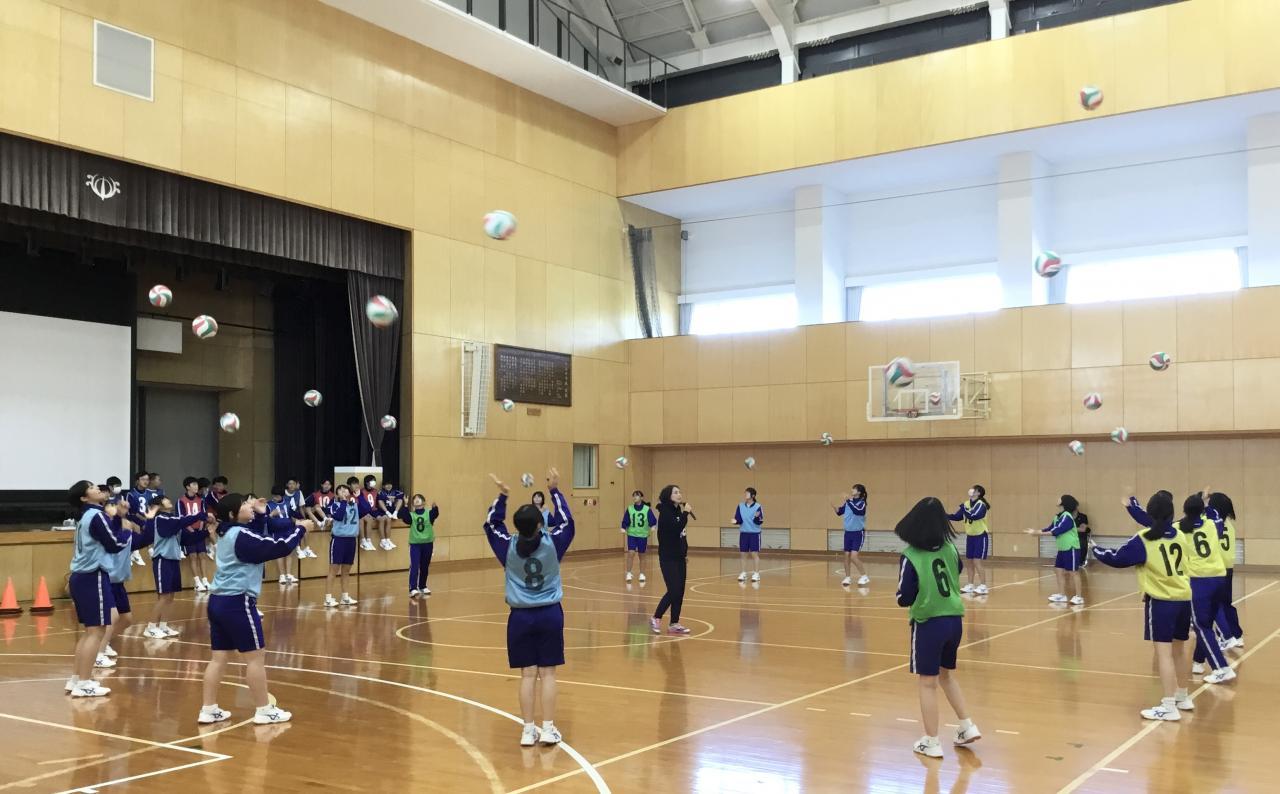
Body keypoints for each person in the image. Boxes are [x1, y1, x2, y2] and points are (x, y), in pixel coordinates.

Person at [483, 469, 575, 747]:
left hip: (520, 617)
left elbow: (491, 524)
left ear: (517, 526)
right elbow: (567, 521)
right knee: (548, 674)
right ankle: (547, 729)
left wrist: (503, 495)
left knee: (527, 674)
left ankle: (527, 730)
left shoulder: (506, 546)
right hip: (550, 614)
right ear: (540, 525)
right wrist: (554, 490)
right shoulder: (553, 543)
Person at [199, 493, 305, 725]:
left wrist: (261, 514)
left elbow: (254, 534)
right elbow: (278, 546)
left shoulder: (227, 532)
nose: (250, 505)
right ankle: (264, 710)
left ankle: (208, 709)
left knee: (218, 659)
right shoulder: (241, 535)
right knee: (256, 658)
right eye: (245, 504)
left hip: (217, 601)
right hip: (238, 602)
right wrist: (300, 529)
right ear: (233, 514)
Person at [1092, 491, 1194, 720]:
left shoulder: (1144, 538)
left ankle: (1169, 706)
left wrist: (1096, 550)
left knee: (1164, 654)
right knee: (1179, 652)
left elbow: (1117, 559)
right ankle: (1183, 696)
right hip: (1184, 599)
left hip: (1161, 602)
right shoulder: (1180, 535)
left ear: (1150, 514)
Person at [894, 497, 981, 757]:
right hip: (954, 621)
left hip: (929, 623)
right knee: (946, 675)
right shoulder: (950, 549)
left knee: (927, 683)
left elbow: (904, 597)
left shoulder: (911, 556)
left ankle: (931, 741)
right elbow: (956, 571)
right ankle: (967, 725)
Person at [1126, 492, 1234, 684]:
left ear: (1183, 510)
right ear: (1202, 511)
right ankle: (1198, 661)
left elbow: (1150, 522)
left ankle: (1222, 668)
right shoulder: (1213, 524)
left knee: (1201, 626)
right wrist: (1204, 500)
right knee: (1206, 624)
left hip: (1198, 582)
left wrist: (1132, 506)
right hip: (1219, 578)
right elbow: (1215, 513)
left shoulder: (1178, 528)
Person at [65, 481, 128, 697]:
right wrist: (128, 533)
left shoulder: (86, 516)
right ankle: (84, 683)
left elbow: (107, 535)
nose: (98, 489)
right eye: (92, 487)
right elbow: (113, 544)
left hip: (81, 577)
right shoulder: (96, 515)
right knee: (96, 632)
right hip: (93, 576)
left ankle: (76, 679)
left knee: (89, 632)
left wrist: (118, 517)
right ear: (84, 497)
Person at [97, 493, 151, 669]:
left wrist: (149, 521)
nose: (119, 508)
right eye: (114, 505)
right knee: (111, 618)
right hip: (106, 578)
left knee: (126, 619)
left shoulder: (126, 529)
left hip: (118, 581)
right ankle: (98, 653)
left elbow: (143, 540)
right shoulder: (104, 529)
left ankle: (103, 643)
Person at [143, 496, 207, 638]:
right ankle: (151, 627)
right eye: (166, 499)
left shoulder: (174, 521)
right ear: (159, 505)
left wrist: (207, 532)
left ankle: (163, 626)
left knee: (170, 596)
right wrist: (199, 515)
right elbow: (178, 523)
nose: (169, 500)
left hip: (173, 560)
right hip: (162, 560)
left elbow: (187, 539)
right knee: (164, 596)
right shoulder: (161, 519)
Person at [1025, 495, 1083, 605]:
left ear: (1064, 502)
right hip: (1062, 548)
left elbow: (1056, 531)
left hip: (1071, 548)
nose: (1058, 499)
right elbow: (1049, 528)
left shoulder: (1067, 517)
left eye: (1060, 498)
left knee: (1073, 572)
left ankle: (1079, 597)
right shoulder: (1058, 517)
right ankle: (1062, 595)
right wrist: (1036, 531)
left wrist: (1036, 533)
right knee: (1058, 570)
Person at [651, 484, 692, 635]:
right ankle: (656, 617)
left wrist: (684, 552)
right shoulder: (665, 512)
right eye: (675, 492)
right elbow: (676, 527)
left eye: (679, 492)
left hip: (679, 557)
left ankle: (674, 623)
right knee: (673, 590)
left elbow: (682, 535)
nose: (679, 494)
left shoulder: (677, 511)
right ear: (668, 496)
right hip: (668, 557)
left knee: (680, 591)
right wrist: (686, 513)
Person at [1206, 490, 1244, 651]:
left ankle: (1225, 636)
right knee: (1226, 603)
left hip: (1216, 569)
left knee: (1216, 605)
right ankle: (1237, 635)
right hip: (1228, 568)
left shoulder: (1212, 523)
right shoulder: (1229, 524)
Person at [948, 486, 991, 595]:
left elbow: (973, 516)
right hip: (970, 536)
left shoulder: (981, 505)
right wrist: (942, 515)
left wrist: (963, 508)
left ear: (978, 493)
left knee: (977, 561)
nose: (971, 490)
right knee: (969, 561)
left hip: (980, 536)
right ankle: (970, 585)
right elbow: (957, 517)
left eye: (974, 489)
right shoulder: (966, 504)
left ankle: (983, 586)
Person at [325, 483, 361, 608]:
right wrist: (344, 501)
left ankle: (345, 597)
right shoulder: (334, 505)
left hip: (351, 540)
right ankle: (328, 598)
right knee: (333, 570)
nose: (344, 491)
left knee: (346, 571)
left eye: (345, 489)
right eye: (340, 490)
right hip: (339, 540)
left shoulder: (354, 505)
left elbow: (367, 509)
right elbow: (339, 516)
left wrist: (360, 497)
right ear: (337, 494)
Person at [178, 477, 211, 592]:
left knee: (202, 555)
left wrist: (201, 527)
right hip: (188, 532)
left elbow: (203, 515)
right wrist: (190, 529)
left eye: (197, 484)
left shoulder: (201, 500)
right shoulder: (181, 500)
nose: (196, 486)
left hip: (199, 530)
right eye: (193, 484)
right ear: (188, 487)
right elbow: (181, 518)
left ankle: (205, 580)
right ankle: (197, 582)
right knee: (193, 556)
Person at [404, 493, 440, 597]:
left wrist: (435, 507)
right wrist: (405, 505)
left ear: (423, 502)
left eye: (419, 499)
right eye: (414, 499)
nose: (416, 500)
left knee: (425, 566)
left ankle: (422, 586)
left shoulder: (429, 513)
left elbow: (435, 514)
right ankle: (413, 588)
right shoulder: (412, 515)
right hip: (415, 544)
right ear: (413, 504)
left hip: (428, 543)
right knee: (415, 565)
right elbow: (405, 519)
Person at [834, 484, 869, 587]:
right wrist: (835, 507)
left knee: (854, 556)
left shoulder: (861, 503)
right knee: (846, 556)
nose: (852, 490)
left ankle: (864, 576)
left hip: (858, 533)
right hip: (848, 533)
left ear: (859, 492)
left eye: (854, 489)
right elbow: (840, 512)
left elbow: (858, 511)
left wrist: (848, 501)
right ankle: (847, 578)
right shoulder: (848, 502)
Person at [621, 490, 657, 584]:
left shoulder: (647, 509)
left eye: (637, 495)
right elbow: (626, 519)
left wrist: (653, 525)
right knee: (631, 553)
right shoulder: (630, 508)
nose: (635, 497)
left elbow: (652, 519)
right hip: (632, 534)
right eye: (633, 496)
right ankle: (628, 573)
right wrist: (623, 527)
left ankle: (642, 574)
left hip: (642, 535)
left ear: (641, 497)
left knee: (642, 555)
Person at [266, 486, 299, 585]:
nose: (274, 498)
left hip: (288, 530)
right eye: (273, 496)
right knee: (279, 552)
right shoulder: (269, 505)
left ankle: (288, 574)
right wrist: (271, 514)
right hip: (276, 531)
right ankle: (282, 575)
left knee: (289, 552)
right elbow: (264, 519)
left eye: (277, 496)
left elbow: (293, 515)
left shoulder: (288, 503)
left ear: (282, 495)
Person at [734, 487, 764, 583]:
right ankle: (743, 573)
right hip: (744, 533)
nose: (745, 495)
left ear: (753, 496)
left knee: (754, 554)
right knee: (743, 554)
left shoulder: (758, 506)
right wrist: (735, 521)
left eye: (747, 493)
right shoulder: (740, 506)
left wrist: (756, 517)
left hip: (754, 533)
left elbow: (760, 521)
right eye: (745, 493)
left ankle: (756, 574)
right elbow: (738, 519)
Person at [284, 477, 318, 559]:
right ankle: (298, 549)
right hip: (287, 516)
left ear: (296, 485)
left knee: (305, 526)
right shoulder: (283, 493)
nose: (292, 485)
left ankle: (306, 549)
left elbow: (301, 507)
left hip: (296, 515)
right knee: (296, 527)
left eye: (293, 484)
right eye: (290, 484)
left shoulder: (299, 492)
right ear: (287, 485)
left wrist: (304, 518)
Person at [358, 475, 389, 551]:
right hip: (365, 511)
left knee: (385, 518)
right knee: (369, 519)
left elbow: (379, 502)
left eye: (374, 481)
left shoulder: (376, 491)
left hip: (374, 510)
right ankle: (367, 540)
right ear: (367, 482)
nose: (373, 483)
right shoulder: (361, 491)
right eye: (372, 481)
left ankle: (385, 540)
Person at [378, 479, 405, 550]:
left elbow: (401, 496)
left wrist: (395, 500)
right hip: (383, 512)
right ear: (383, 486)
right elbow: (379, 501)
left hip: (393, 512)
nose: (388, 486)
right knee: (386, 519)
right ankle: (384, 540)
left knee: (400, 500)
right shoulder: (381, 492)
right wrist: (387, 512)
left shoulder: (396, 492)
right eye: (386, 484)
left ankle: (388, 540)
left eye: (390, 484)